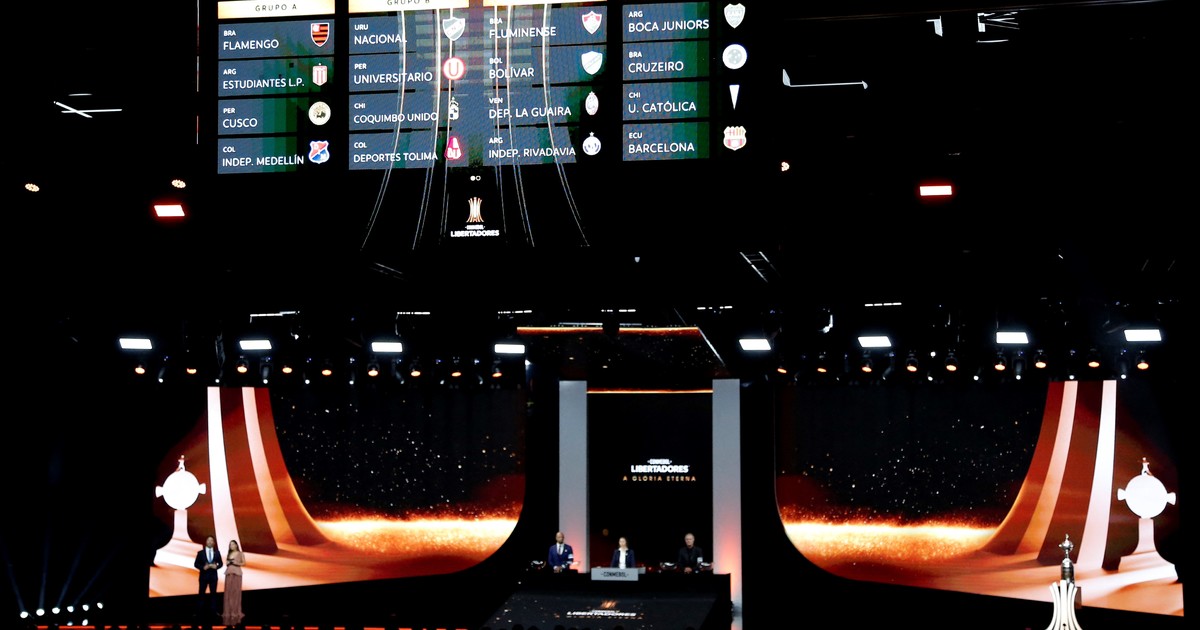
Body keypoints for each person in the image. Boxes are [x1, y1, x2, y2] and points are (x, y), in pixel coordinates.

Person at [193, 535, 223, 618]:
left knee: (213, 595)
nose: (210, 542)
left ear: (214, 543)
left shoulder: (217, 552)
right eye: (208, 540)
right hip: (203, 577)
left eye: (211, 540)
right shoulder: (200, 553)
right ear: (206, 542)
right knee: (201, 594)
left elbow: (221, 563)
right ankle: (198, 612)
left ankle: (214, 612)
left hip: (213, 577)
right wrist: (203, 567)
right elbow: (196, 564)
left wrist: (216, 566)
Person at [222, 539, 246, 627]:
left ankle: (235, 612)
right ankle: (228, 612)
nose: (231, 546)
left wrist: (236, 562)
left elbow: (244, 563)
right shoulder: (229, 554)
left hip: (237, 573)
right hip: (229, 572)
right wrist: (228, 562)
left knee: (236, 593)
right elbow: (226, 563)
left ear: (236, 545)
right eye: (230, 544)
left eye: (233, 544)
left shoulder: (240, 553)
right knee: (228, 593)